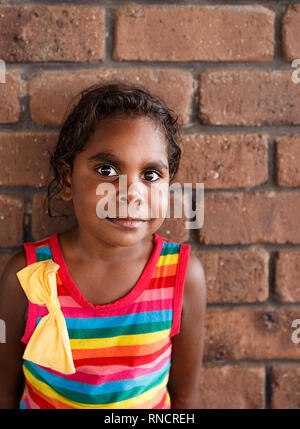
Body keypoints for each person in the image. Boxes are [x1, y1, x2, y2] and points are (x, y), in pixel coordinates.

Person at [0, 82, 206, 409]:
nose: (131, 193)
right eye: (107, 170)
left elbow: (184, 396)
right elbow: (4, 393)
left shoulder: (182, 276)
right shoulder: (29, 276)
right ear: (68, 181)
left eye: (151, 174)